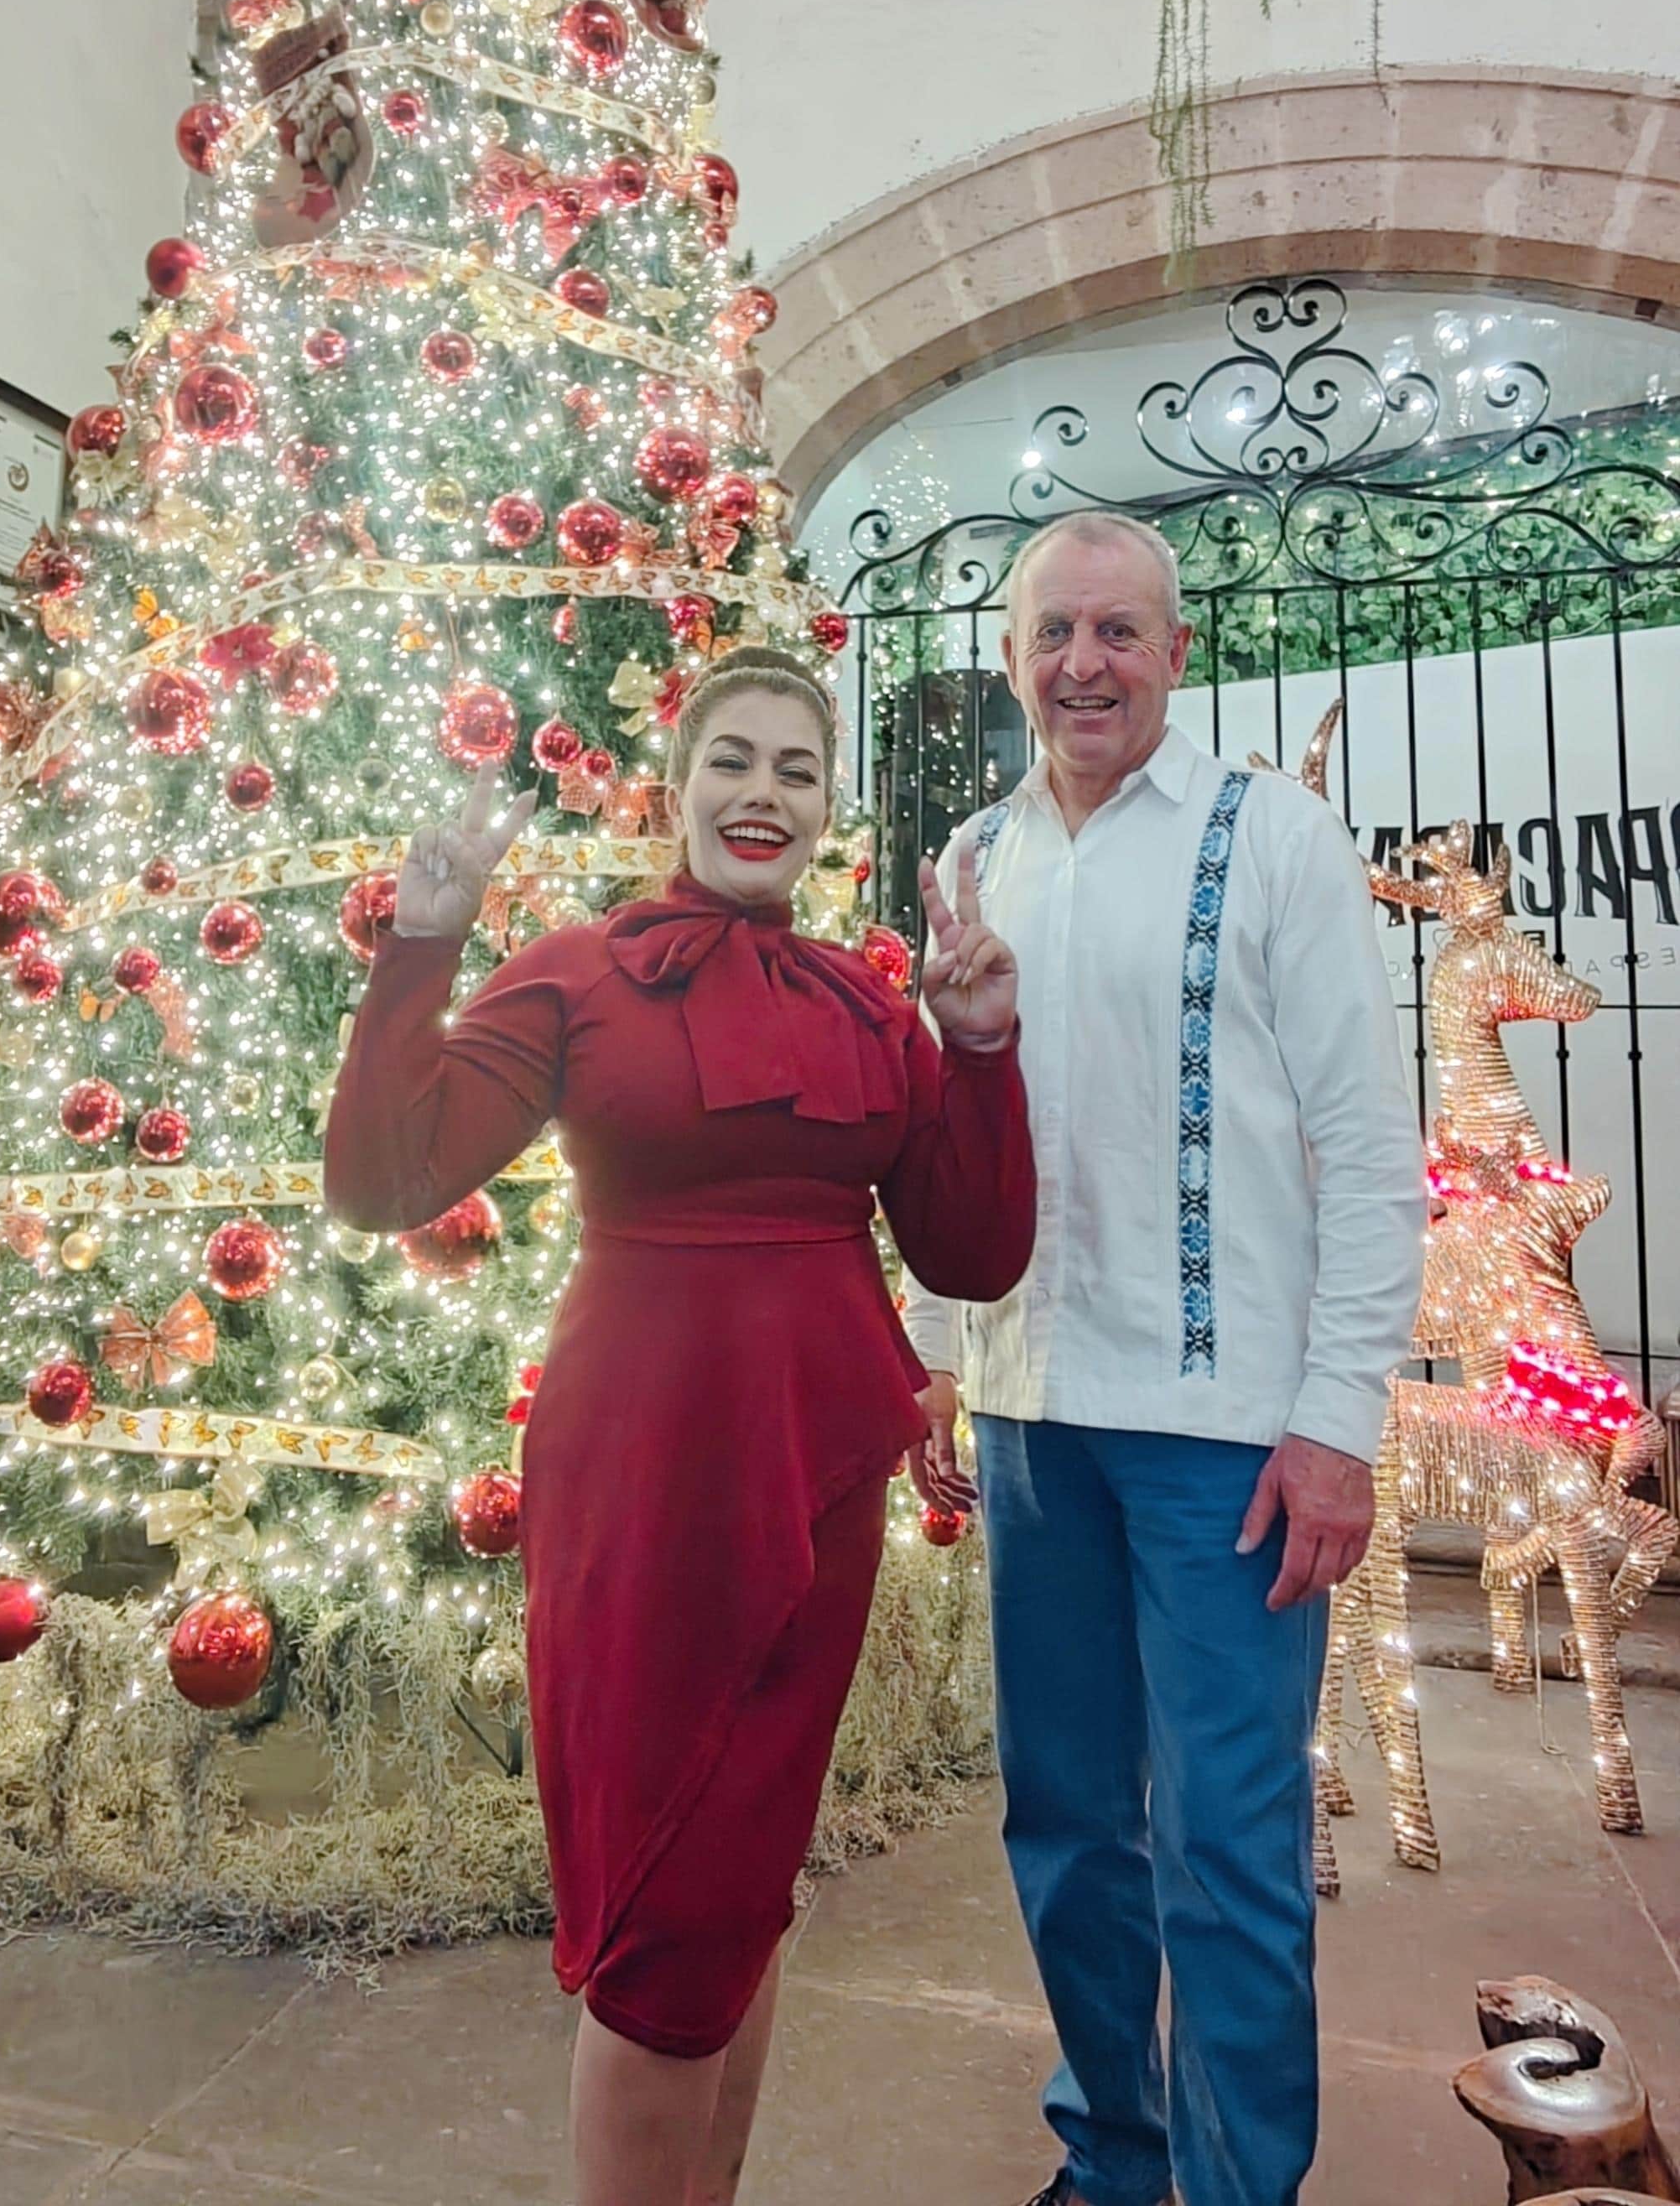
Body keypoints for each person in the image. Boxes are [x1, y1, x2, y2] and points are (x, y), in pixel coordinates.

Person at [325, 646, 1035, 2206]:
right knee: (664, 1901)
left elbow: (973, 1254)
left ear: (828, 809)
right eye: (733, 760)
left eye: (796, 769)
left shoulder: (868, 1001)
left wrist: (978, 1053)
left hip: (817, 1478)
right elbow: (383, 1183)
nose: (761, 793)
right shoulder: (576, 972)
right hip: (642, 1475)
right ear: (674, 787)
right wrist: (420, 951)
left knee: (743, 1883)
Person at [904, 515, 1426, 2206]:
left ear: (1176, 654)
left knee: (1226, 1850)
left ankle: (1234, 2182)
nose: (1084, 664)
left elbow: (1365, 1146)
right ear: (1010, 661)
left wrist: (1336, 1421)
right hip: (1030, 1420)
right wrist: (935, 1350)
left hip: (1226, 1444)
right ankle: (1112, 2155)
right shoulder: (971, 855)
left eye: (1117, 631)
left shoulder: (1268, 835)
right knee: (1062, 1830)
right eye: (1053, 632)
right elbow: (943, 1130)